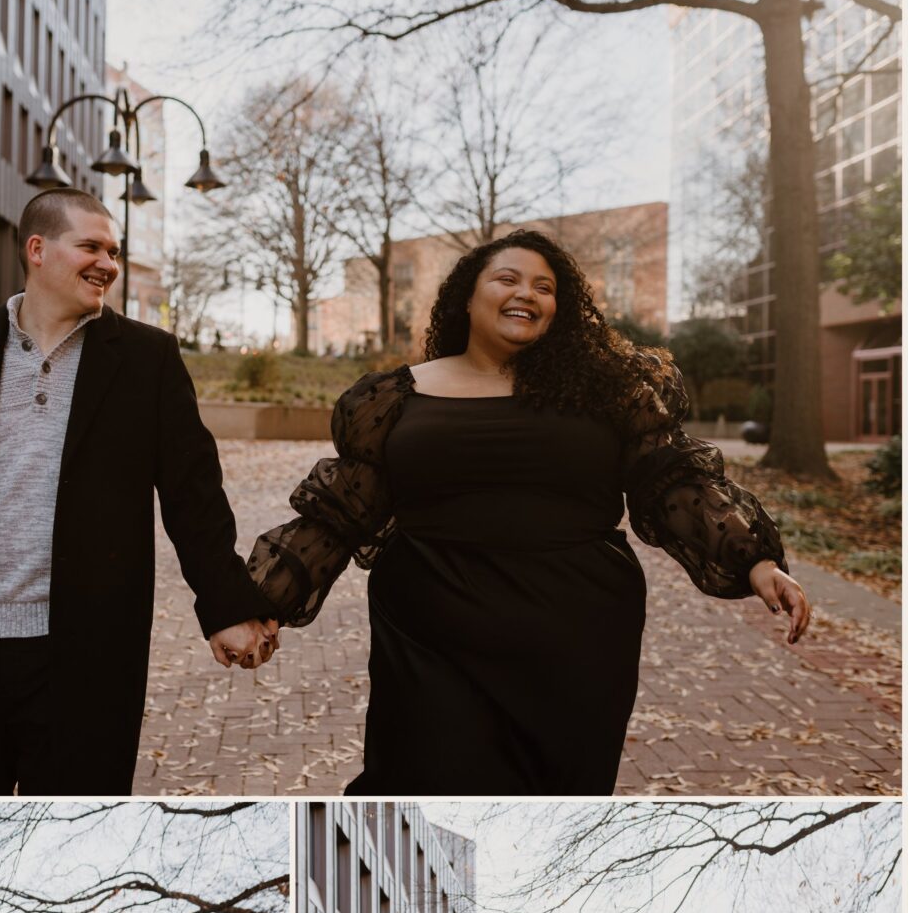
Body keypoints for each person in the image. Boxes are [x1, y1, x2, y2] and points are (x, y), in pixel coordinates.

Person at [247, 231, 811, 796]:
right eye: (508, 279)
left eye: (545, 287)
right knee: (422, 777)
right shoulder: (394, 398)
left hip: (574, 638)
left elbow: (674, 481)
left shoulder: (610, 392)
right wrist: (258, 604)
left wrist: (754, 560)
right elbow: (337, 512)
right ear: (467, 297)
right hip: (431, 637)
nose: (528, 293)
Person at [0, 189, 276, 797]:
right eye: (90, 246)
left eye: (114, 251)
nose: (108, 264)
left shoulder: (147, 359)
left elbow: (192, 494)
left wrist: (226, 606)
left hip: (84, 654)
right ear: (37, 249)